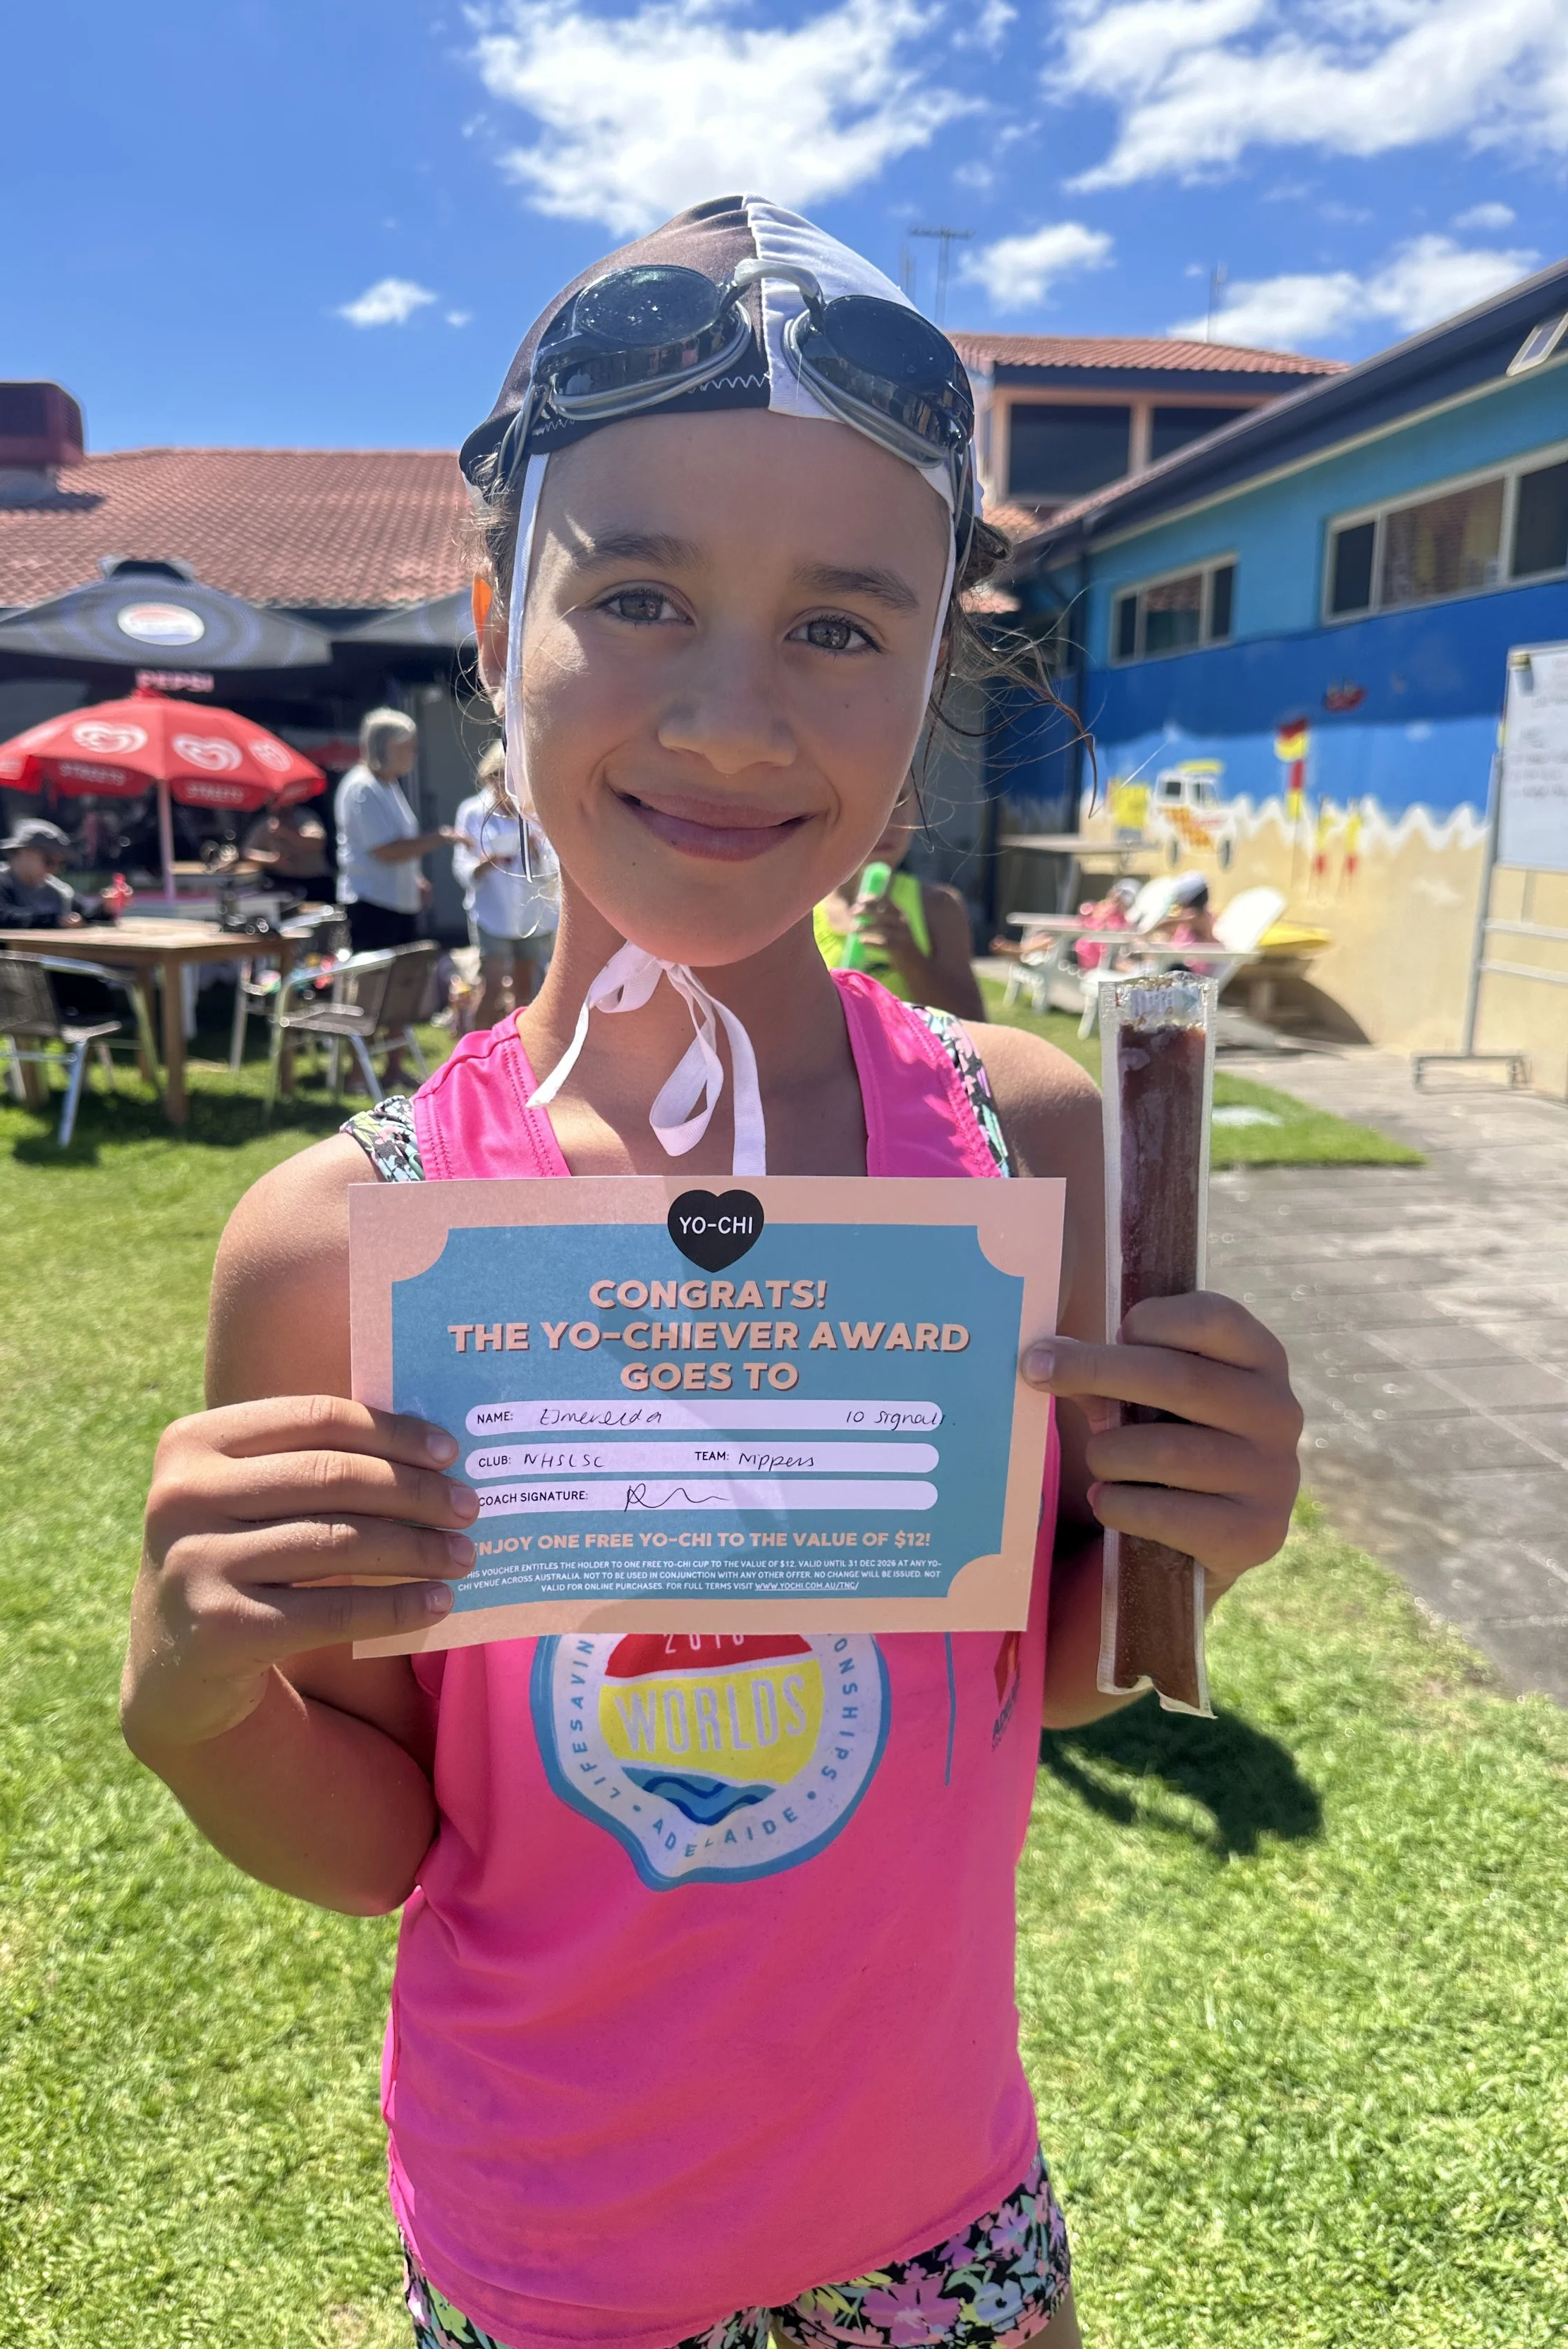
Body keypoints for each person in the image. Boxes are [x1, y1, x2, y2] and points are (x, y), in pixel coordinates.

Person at [122, 197, 1302, 2349]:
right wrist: (196, 1705)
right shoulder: (341, 1238)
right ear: (492, 622)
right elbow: (391, 1835)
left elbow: (1024, 1681)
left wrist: (1188, 1546)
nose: (736, 717)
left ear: (934, 663)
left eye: (842, 627)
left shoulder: (1023, 1142)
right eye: (640, 594)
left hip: (941, 2204)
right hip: (553, 2242)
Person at [814, 791, 984, 1019]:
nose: (888, 820)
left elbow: (974, 1022)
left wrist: (909, 957)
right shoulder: (797, 913)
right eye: (870, 801)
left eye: (899, 800)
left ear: (918, 804)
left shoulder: (939, 907)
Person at [452, 740, 558, 1027]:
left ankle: (517, 1051)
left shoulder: (535, 809)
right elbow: (462, 868)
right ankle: (474, 1051)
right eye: (496, 780)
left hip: (532, 911)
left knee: (527, 990)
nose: (502, 788)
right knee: (493, 985)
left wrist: (537, 850)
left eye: (509, 779)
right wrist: (486, 863)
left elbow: (555, 869)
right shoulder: (473, 811)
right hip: (492, 911)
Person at [334, 708, 458, 952]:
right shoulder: (362, 787)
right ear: (387, 746)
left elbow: (399, 841)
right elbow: (385, 850)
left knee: (402, 984)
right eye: (408, 746)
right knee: (376, 985)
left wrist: (414, 880)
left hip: (396, 903)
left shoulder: (388, 784)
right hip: (373, 905)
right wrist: (439, 838)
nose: (414, 753)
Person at [0, 819, 82, 947]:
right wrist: (53, 921)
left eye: (61, 864)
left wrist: (104, 908)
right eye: (49, 861)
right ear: (24, 852)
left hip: (42, 961)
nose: (54, 870)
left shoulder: (54, 889)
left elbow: (82, 910)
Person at [240, 793, 333, 901]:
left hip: (314, 882)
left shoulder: (304, 817)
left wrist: (287, 834)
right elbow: (247, 852)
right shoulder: (265, 824)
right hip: (284, 882)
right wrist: (272, 860)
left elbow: (319, 842)